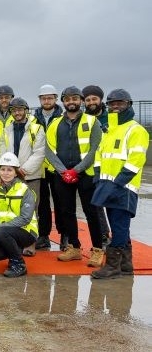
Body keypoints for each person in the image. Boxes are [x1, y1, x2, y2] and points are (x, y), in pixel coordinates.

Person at [91, 89, 148, 279]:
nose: (115, 106)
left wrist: (118, 184)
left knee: (119, 226)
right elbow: (100, 155)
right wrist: (98, 177)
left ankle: (113, 266)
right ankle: (125, 265)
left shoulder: (136, 130)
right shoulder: (109, 130)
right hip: (108, 185)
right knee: (119, 227)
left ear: (128, 105)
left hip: (124, 188)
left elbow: (135, 161)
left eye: (120, 103)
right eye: (112, 103)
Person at [45, 86, 104, 267]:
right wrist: (64, 171)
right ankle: (74, 248)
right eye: (68, 99)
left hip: (86, 174)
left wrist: (75, 170)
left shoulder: (92, 121)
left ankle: (98, 250)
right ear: (63, 101)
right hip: (62, 175)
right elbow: (48, 150)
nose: (71, 102)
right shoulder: (55, 123)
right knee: (66, 211)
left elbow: (95, 149)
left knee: (91, 212)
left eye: (75, 99)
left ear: (80, 100)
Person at [0, 97, 45, 256]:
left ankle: (30, 244)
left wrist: (23, 171)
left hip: (29, 176)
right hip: (11, 176)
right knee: (13, 210)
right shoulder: (7, 129)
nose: (17, 112)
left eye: (20, 109)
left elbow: (39, 153)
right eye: (14, 110)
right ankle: (15, 241)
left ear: (26, 110)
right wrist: (5, 170)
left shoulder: (36, 128)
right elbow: (2, 151)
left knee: (30, 211)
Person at [0, 152, 38, 278]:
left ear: (16, 172)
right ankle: (15, 253)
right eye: (3, 169)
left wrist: (1, 228)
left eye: (9, 170)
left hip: (27, 231)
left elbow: (25, 218)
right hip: (6, 232)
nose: (6, 173)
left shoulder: (25, 190)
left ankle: (19, 264)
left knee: (0, 232)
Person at [33, 84, 65, 251]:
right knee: (42, 204)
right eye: (44, 98)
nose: (47, 100)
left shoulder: (63, 116)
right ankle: (43, 235)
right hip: (40, 167)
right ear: (40, 100)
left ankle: (64, 235)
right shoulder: (34, 117)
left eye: (50, 98)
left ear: (55, 99)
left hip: (58, 167)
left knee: (61, 202)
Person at [82, 84, 111, 245]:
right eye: (87, 99)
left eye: (94, 99)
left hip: (110, 167)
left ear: (101, 99)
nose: (91, 102)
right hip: (91, 169)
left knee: (112, 205)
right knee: (96, 204)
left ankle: (119, 242)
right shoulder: (83, 119)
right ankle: (104, 235)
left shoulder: (111, 118)